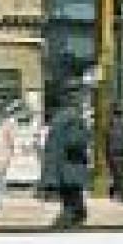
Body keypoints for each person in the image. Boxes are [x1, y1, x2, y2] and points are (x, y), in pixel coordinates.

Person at [40, 83, 90, 228]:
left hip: (62, 168)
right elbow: (74, 142)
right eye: (82, 97)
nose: (83, 101)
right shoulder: (72, 117)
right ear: (74, 98)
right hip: (70, 169)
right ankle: (60, 234)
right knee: (73, 208)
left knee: (76, 208)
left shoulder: (60, 117)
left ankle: (65, 230)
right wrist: (86, 134)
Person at [106, 103, 123, 202]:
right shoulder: (122, 127)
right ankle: (120, 195)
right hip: (118, 154)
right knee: (119, 175)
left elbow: (108, 142)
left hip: (115, 154)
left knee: (117, 175)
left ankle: (118, 194)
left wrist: (108, 155)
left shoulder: (112, 127)